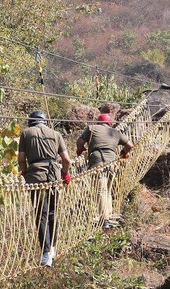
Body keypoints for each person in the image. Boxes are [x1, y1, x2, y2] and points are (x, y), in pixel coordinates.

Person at [17, 110, 71, 266]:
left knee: (41, 214)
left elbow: (21, 159)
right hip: (54, 176)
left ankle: (46, 252)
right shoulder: (56, 134)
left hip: (36, 177)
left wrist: (25, 171)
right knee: (53, 212)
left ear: (30, 122)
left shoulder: (26, 134)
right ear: (45, 121)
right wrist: (64, 174)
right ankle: (53, 248)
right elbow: (66, 160)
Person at [77, 107, 133, 228]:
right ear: (109, 123)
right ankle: (109, 214)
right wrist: (124, 153)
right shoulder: (115, 132)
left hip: (98, 162)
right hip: (112, 163)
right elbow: (130, 145)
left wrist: (80, 150)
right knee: (107, 190)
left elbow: (80, 142)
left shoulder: (91, 128)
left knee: (100, 190)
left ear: (98, 122)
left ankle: (104, 219)